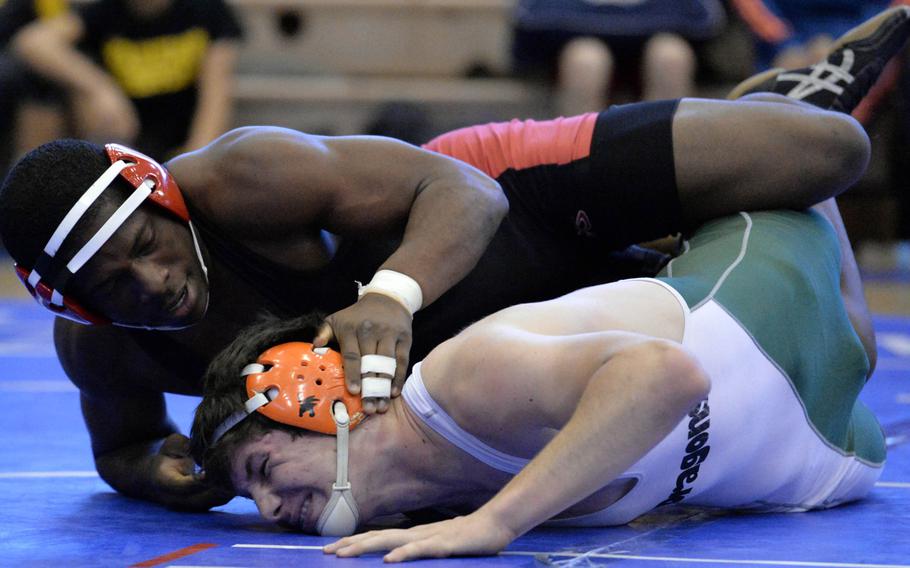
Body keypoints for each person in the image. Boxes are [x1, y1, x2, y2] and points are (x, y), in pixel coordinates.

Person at [0, 6, 905, 514]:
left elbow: (464, 197)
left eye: (147, 247)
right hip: (505, 318)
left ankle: (777, 97)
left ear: (160, 200)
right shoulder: (103, 348)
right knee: (833, 343)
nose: (152, 282)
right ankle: (703, 216)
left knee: (828, 153)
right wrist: (181, 475)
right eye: (113, 287)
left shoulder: (241, 178)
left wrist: (392, 292)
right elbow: (121, 447)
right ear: (76, 307)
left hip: (499, 197)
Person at [190, 197, 883, 561]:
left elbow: (666, 375)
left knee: (804, 158)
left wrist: (497, 523)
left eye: (260, 467)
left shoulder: (463, 383)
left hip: (761, 294)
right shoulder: (432, 511)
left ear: (319, 397)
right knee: (861, 349)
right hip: (820, 465)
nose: (270, 508)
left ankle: (792, 97)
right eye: (254, 497)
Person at [11, 0, 242, 159]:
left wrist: (192, 160)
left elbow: (215, 96)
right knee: (41, 83)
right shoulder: (107, 11)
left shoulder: (206, 11)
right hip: (122, 143)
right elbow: (33, 42)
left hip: (180, 147)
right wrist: (100, 89)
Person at [512, 0, 726, 114]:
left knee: (671, 56)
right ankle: (580, 171)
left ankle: (666, 169)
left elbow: (704, 20)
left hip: (654, 52)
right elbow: (532, 17)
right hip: (579, 51)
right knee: (586, 61)